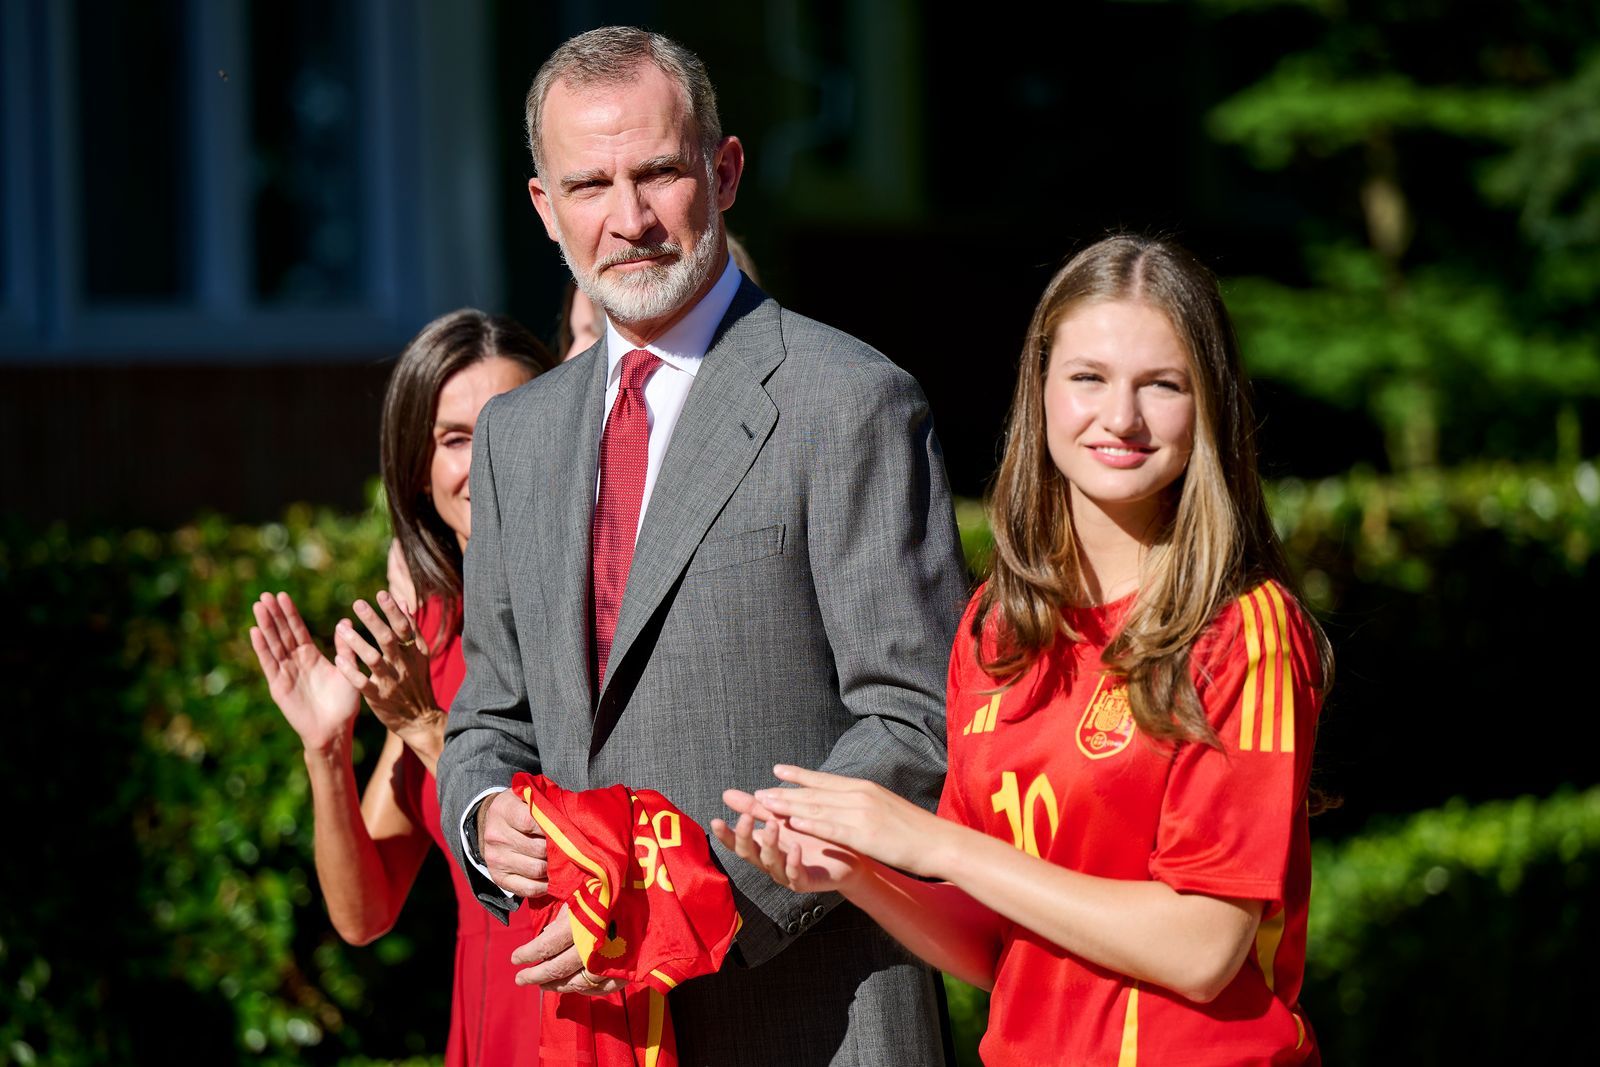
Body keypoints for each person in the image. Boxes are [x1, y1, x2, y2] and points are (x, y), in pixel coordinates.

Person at [434, 26, 969, 1067]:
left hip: (813, 1014)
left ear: (722, 172)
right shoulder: (516, 435)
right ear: (543, 209)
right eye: (588, 185)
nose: (627, 220)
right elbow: (489, 713)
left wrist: (706, 899)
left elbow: (918, 718)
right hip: (589, 1030)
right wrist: (485, 812)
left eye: (659, 174)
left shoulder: (849, 399)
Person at [720, 235, 1334, 1065]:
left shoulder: (1243, 630)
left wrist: (937, 845)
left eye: (1162, 384)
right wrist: (854, 872)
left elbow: (1204, 948)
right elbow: (991, 946)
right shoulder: (996, 630)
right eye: (1089, 377)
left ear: (1210, 407)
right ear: (1041, 388)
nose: (1121, 417)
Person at [248, 309, 555, 1067]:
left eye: (508, 425)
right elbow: (365, 910)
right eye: (454, 439)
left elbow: (560, 853)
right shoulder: (435, 634)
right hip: (482, 1037)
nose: (482, 462)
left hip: (585, 1031)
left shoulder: (595, 614)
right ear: (418, 467)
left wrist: (423, 723)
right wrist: (326, 747)